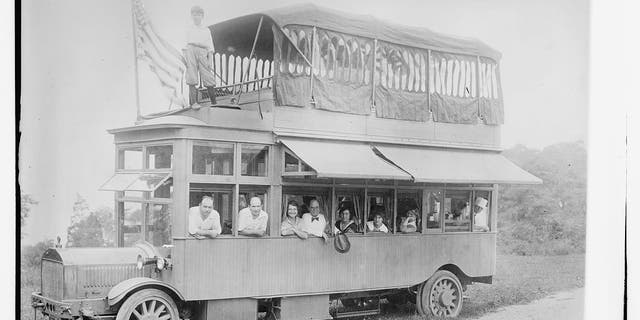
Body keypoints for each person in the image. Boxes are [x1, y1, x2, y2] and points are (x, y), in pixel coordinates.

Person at [185, 5, 216, 106]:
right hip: (191, 51)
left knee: (208, 78)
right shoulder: (188, 29)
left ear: (202, 16)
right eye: (194, 14)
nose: (196, 17)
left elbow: (210, 48)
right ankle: (193, 104)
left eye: (198, 14)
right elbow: (184, 45)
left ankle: (214, 103)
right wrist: (186, 58)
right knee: (192, 78)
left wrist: (210, 61)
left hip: (203, 52)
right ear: (191, 16)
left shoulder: (206, 30)